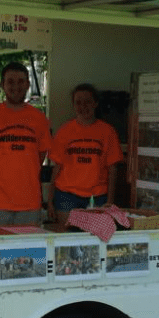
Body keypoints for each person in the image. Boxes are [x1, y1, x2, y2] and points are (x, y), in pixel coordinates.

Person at [0, 62, 51, 226]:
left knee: (29, 251)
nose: (16, 86)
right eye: (10, 81)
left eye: (20, 81)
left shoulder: (39, 119)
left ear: (28, 84)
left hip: (29, 202)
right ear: (2, 85)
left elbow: (39, 156)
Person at [47, 83, 124, 226]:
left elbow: (113, 169)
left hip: (97, 196)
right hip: (66, 195)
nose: (83, 107)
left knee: (95, 238)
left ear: (95, 103)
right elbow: (56, 167)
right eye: (78, 103)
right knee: (68, 238)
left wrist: (110, 201)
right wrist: (50, 200)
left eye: (88, 102)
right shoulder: (65, 131)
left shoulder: (108, 132)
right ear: (73, 105)